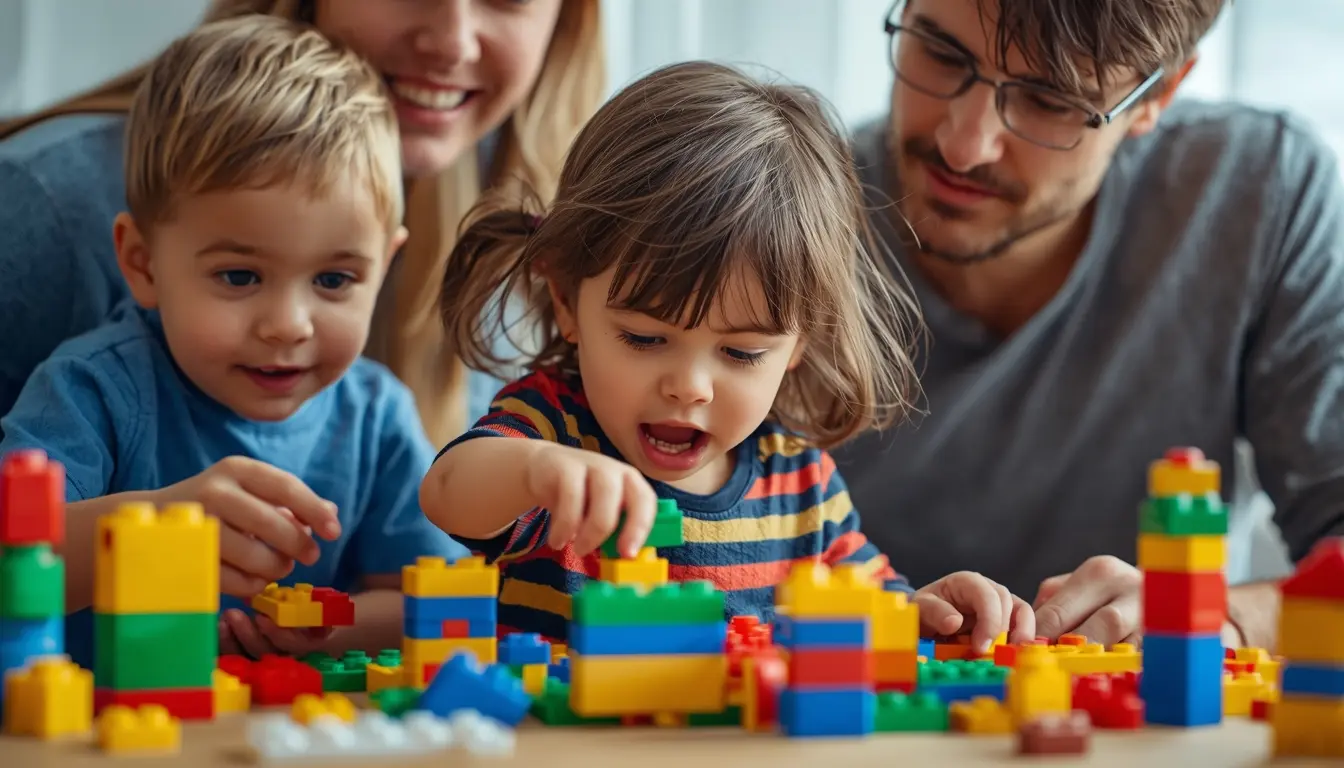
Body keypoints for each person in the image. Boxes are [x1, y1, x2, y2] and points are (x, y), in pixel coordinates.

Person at [420, 61, 1038, 651]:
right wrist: (537, 472)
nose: (690, 386)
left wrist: (927, 614)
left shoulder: (800, 481)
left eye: (741, 352)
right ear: (564, 300)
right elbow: (447, 491)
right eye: (644, 338)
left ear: (800, 342)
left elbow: (868, 605)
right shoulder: (554, 431)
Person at [836, 0, 1344, 651]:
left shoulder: (1256, 195)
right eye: (940, 53)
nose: (964, 145)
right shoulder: (780, 227)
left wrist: (1221, 616)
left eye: (1050, 99)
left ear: (1159, 94)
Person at [0, 15, 454, 663]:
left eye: (334, 278)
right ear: (143, 264)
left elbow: (426, 599)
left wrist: (322, 628)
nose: (288, 324)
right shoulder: (93, 390)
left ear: (383, 265)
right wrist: (155, 528)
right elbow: (13, 560)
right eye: (239, 276)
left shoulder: (377, 417)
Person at [0, 0, 604, 447]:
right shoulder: (41, 209)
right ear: (141, 260)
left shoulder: (516, 234)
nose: (453, 43)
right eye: (237, 276)